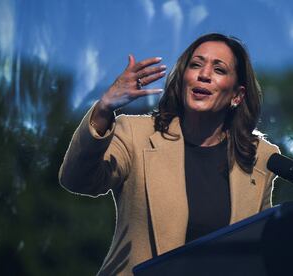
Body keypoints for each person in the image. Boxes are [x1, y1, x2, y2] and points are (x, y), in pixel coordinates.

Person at [59, 33, 280, 276]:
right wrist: (104, 108)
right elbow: (76, 180)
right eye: (196, 65)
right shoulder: (136, 134)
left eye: (219, 69)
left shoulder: (260, 157)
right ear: (183, 78)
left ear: (237, 96)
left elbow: (255, 253)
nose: (203, 74)